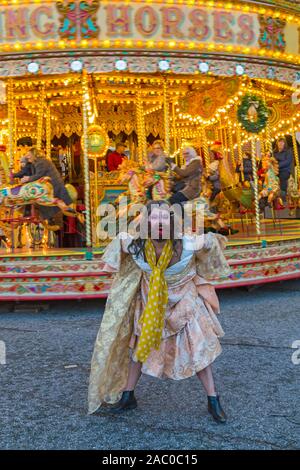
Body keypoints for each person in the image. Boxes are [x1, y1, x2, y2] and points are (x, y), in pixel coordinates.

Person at [88, 200, 230, 423]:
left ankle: (213, 399)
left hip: (185, 302)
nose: (160, 222)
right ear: (145, 222)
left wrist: (210, 242)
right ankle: (128, 395)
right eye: (155, 217)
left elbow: (215, 242)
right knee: (139, 347)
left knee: (198, 349)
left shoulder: (188, 242)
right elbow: (116, 252)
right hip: (151, 302)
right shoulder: (135, 245)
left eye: (165, 217)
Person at [20, 147, 73, 223]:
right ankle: (47, 219)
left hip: (53, 185)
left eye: (28, 155)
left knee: (39, 199)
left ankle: (47, 218)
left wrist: (27, 179)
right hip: (51, 183)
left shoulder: (40, 162)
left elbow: (39, 175)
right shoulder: (39, 162)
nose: (27, 157)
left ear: (34, 154)